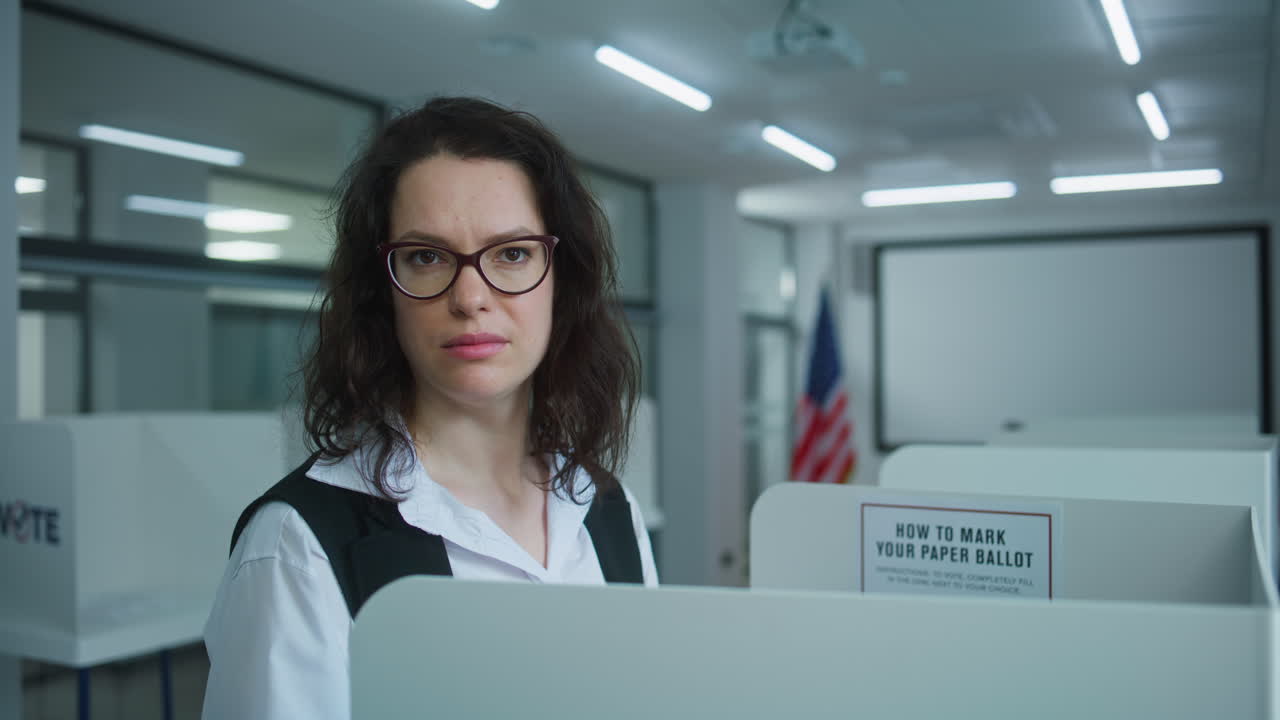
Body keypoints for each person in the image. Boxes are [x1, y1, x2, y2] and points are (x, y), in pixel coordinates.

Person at [201, 96, 658, 719]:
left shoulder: (606, 509)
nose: (470, 296)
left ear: (563, 279)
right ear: (380, 292)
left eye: (513, 254)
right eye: (425, 257)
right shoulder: (299, 545)